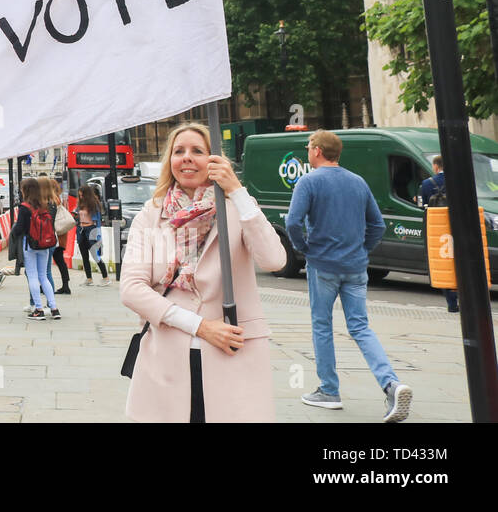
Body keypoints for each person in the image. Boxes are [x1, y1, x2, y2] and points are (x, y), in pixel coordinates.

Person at [121, 122, 286, 422]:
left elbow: (274, 260)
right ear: (169, 161)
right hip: (167, 359)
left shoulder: (237, 209)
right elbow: (132, 288)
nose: (186, 157)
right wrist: (200, 326)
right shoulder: (151, 214)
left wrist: (236, 191)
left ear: (215, 160)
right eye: (178, 151)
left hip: (234, 358)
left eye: (197, 151)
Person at [286, 129, 413, 422]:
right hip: (356, 267)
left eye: (309, 146)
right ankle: (391, 384)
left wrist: (304, 249)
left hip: (323, 265)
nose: (308, 151)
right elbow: (378, 226)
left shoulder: (308, 181)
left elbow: (293, 222)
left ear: (317, 150)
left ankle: (329, 391)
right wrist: (361, 250)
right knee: (360, 327)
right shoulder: (358, 182)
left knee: (322, 325)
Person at [12, 177, 59, 320]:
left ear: (25, 190)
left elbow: (19, 228)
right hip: (45, 244)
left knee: (32, 276)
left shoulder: (25, 207)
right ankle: (54, 308)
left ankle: (38, 309)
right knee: (43, 276)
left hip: (30, 245)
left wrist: (13, 234)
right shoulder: (44, 205)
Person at [417, 155, 457, 313]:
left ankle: (451, 303)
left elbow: (421, 204)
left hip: (437, 229)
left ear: (435, 166)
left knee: (443, 264)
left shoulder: (427, 184)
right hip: (456, 225)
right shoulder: (457, 181)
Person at [77, 183, 109, 285]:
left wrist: (98, 235)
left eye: (82, 195)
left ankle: (106, 277)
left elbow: (98, 221)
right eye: (79, 195)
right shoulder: (80, 204)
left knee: (95, 255)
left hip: (91, 230)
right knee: (84, 256)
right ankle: (89, 278)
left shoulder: (94, 204)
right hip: (81, 230)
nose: (81, 197)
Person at [45, 177, 71, 295]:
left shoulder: (52, 199)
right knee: (59, 260)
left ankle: (64, 286)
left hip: (56, 235)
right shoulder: (57, 197)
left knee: (56, 261)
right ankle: (65, 285)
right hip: (60, 234)